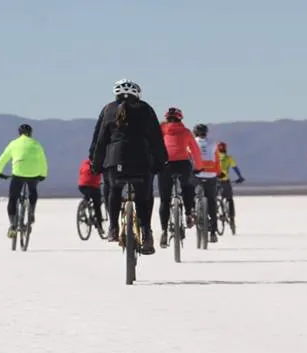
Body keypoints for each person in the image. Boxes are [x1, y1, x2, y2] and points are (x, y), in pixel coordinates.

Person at [90, 79, 167, 253]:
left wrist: (96, 163)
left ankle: (113, 228)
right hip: (142, 161)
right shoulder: (146, 109)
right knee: (144, 196)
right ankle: (146, 233)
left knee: (114, 190)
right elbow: (156, 139)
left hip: (115, 160)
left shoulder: (108, 109)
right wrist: (160, 162)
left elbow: (100, 140)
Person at [157, 107, 203, 248]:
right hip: (183, 164)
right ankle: (188, 213)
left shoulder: (160, 130)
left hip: (165, 165)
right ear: (180, 119)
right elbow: (195, 150)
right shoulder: (186, 132)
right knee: (187, 187)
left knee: (165, 200)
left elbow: (153, 147)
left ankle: (164, 231)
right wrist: (199, 167)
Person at [0, 123, 49, 239]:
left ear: (19, 133)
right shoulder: (36, 144)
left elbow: (3, 158)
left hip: (18, 173)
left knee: (13, 198)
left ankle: (12, 225)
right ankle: (31, 212)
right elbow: (43, 161)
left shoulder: (13, 143)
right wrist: (43, 175)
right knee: (33, 190)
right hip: (33, 174)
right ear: (30, 134)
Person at [192, 123, 222, 243]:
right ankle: (213, 233)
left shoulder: (192, 142)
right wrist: (218, 173)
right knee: (212, 202)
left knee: (192, 194)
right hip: (211, 175)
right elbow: (217, 160)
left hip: (197, 174)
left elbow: (189, 158)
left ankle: (193, 212)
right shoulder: (213, 144)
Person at [216, 141, 245, 224]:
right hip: (225, 181)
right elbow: (235, 168)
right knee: (229, 198)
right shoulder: (229, 158)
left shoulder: (214, 157)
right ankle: (231, 218)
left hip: (214, 181)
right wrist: (240, 177)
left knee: (212, 199)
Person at [77, 158, 104, 234]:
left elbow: (80, 172)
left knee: (87, 195)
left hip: (82, 185)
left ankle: (84, 205)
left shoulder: (84, 163)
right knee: (97, 205)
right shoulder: (100, 162)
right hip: (93, 186)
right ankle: (99, 226)